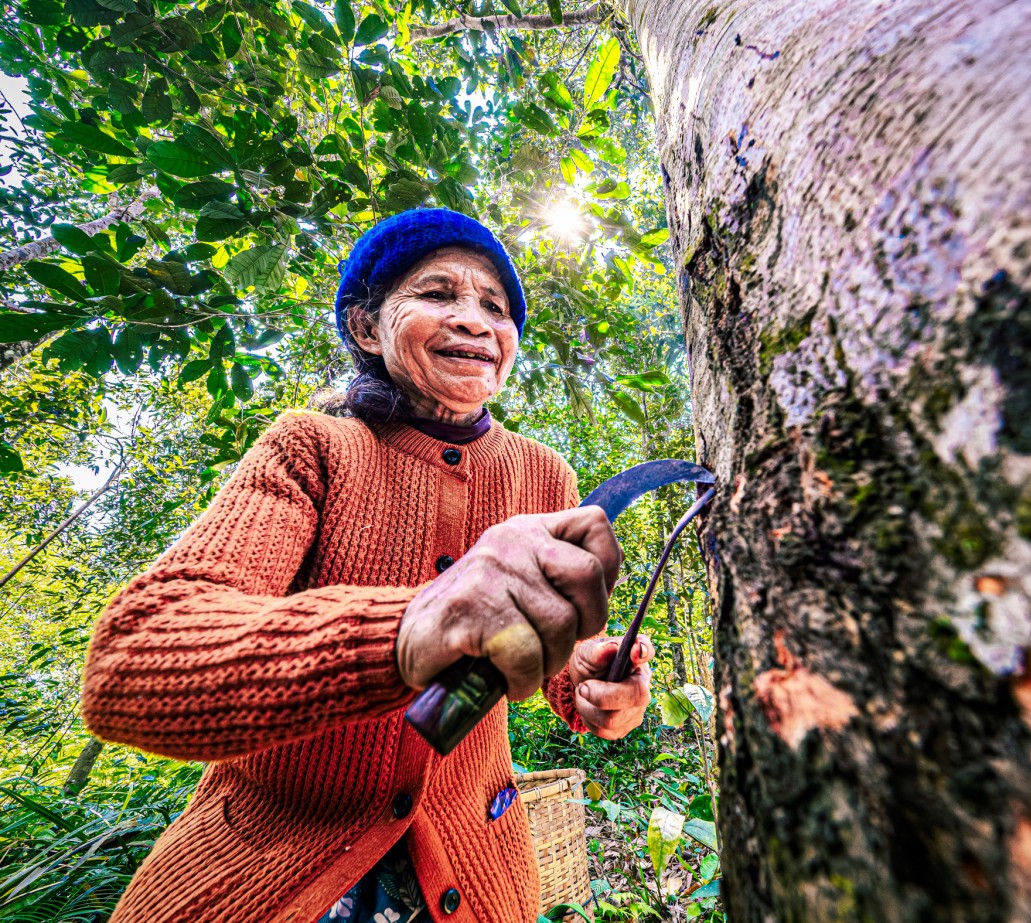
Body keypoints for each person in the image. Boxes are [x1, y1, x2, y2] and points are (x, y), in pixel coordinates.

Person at [82, 208, 656, 923]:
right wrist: (411, 629)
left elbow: (546, 664)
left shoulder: (545, 476)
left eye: (496, 308)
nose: (475, 321)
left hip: (478, 875)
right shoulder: (311, 449)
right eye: (438, 294)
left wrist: (596, 684)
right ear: (365, 328)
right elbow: (132, 661)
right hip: (261, 872)